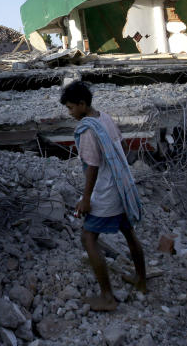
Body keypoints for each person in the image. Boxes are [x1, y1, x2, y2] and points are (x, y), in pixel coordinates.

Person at [59, 80, 146, 311]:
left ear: (82, 103)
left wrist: (86, 199)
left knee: (88, 238)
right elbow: (120, 146)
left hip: (107, 191)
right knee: (128, 231)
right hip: (123, 186)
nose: (70, 113)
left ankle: (107, 298)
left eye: (71, 108)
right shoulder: (104, 117)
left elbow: (92, 167)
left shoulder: (88, 130)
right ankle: (141, 280)